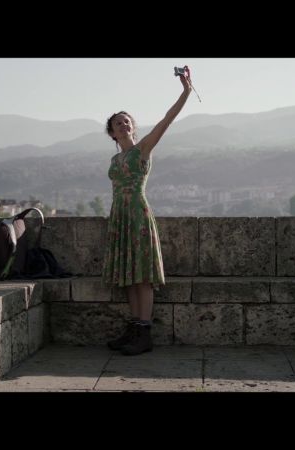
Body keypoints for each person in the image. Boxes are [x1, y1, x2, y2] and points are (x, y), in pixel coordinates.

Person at [102, 68, 193, 355]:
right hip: (120, 215)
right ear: (112, 133)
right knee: (129, 275)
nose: (123, 124)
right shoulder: (115, 159)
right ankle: (134, 328)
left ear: (133, 127)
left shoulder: (143, 149)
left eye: (126, 121)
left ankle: (144, 333)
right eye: (118, 123)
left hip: (138, 214)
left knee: (141, 275)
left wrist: (186, 91)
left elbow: (167, 120)